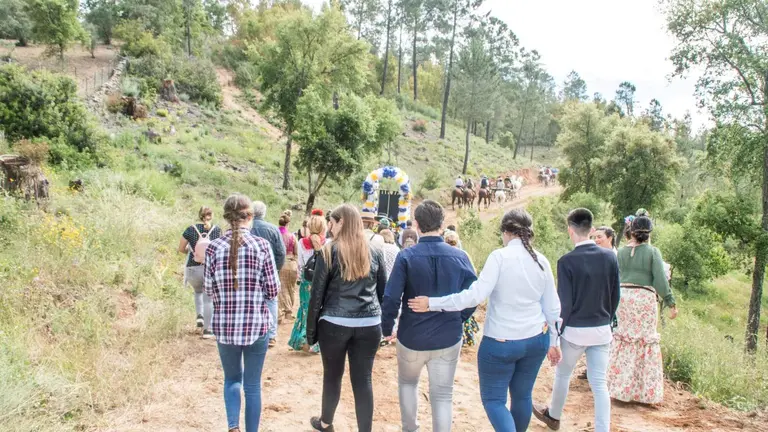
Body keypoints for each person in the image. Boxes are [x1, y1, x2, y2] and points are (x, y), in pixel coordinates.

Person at [408, 208, 561, 432]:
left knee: (494, 400)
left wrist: (432, 303)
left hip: (501, 340)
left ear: (505, 231)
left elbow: (474, 296)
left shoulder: (499, 257)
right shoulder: (542, 261)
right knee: (522, 396)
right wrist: (554, 341)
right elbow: (553, 306)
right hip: (536, 339)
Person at [381, 200, 477, 432]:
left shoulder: (406, 256)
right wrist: (459, 317)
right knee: (443, 395)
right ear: (442, 225)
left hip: (412, 335)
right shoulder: (460, 256)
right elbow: (474, 296)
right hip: (448, 336)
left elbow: (391, 297)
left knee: (407, 383)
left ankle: (410, 429)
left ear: (416, 224)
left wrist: (387, 328)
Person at [533, 209, 620, 432]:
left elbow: (565, 303)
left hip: (575, 330)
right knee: (599, 384)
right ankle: (602, 429)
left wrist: (558, 333)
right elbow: (615, 295)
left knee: (563, 374)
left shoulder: (566, 261)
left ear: (570, 230)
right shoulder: (610, 256)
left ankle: (554, 416)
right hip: (601, 329)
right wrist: (607, 318)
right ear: (591, 230)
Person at [306, 204, 388, 432]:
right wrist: (383, 323)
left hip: (334, 323)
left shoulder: (329, 250)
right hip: (369, 324)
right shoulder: (375, 250)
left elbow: (317, 296)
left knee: (332, 376)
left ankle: (325, 423)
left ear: (341, 222)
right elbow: (383, 292)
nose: (329, 227)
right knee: (363, 380)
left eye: (331, 222)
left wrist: (311, 333)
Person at [204, 194, 279, 432]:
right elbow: (273, 290)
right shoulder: (262, 246)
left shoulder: (213, 247)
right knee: (253, 386)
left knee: (232, 380)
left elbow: (208, 289)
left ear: (226, 218)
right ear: (250, 217)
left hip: (225, 326)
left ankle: (233, 426)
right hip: (256, 325)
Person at [608, 215, 678, 404]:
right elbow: (660, 281)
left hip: (624, 299)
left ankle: (619, 388)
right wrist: (671, 302)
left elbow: (615, 278)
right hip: (644, 299)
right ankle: (642, 392)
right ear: (649, 233)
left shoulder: (621, 252)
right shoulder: (653, 252)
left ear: (631, 231)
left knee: (624, 339)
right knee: (644, 341)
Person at [179, 206, 222, 339]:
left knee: (197, 292)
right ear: (211, 215)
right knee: (208, 299)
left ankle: (200, 317)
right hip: (210, 268)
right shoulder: (217, 231)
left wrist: (193, 253)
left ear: (200, 216)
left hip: (193, 267)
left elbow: (181, 248)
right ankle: (207, 330)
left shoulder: (190, 229)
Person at [288, 212, 327, 354]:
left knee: (305, 309)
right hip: (321, 282)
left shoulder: (302, 242)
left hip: (306, 281)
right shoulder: (326, 243)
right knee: (319, 309)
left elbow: (300, 264)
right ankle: (315, 343)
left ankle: (301, 338)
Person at [250, 201, 286, 348]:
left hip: (249, 273)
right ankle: (271, 335)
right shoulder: (272, 229)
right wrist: (275, 269)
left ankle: (253, 331)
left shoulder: (247, 228)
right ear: (264, 213)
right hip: (269, 270)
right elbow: (281, 252)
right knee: (271, 300)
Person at [443, 230, 480, 348]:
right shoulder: (464, 254)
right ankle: (464, 338)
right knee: (461, 313)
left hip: (448, 288)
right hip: (462, 288)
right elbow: (473, 271)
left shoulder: (443, 255)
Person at [278, 213, 298, 323]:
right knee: (291, 288)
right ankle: (289, 312)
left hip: (280, 264)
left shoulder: (275, 234)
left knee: (280, 288)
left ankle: (280, 313)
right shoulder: (292, 236)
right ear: (288, 223)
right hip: (291, 264)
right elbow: (296, 253)